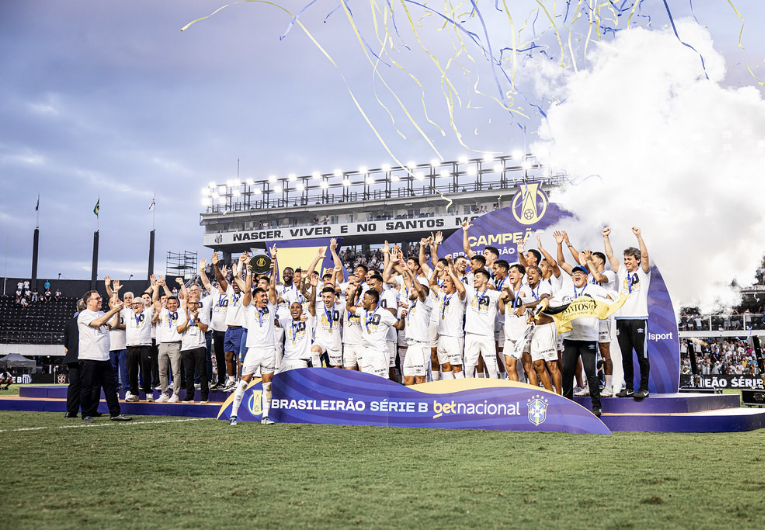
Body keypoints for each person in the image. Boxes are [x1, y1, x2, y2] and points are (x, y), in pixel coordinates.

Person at [542, 265, 617, 416]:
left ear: (586, 277)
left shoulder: (594, 290)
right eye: (574, 273)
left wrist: (603, 307)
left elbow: (610, 298)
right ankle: (567, 404)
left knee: (591, 373)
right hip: (569, 337)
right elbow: (552, 300)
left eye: (580, 273)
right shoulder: (566, 291)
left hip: (588, 337)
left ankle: (596, 406)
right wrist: (544, 300)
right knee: (567, 372)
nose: (576, 275)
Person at [229, 250, 279, 426]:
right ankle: (233, 415)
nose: (265, 297)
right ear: (255, 299)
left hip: (269, 350)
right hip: (254, 350)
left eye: (265, 296)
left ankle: (265, 416)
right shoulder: (248, 309)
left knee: (267, 385)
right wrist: (249, 271)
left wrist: (273, 261)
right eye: (262, 296)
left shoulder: (271, 308)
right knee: (243, 382)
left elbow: (272, 287)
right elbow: (248, 289)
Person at [604, 226, 652, 399]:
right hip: (622, 319)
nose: (626, 262)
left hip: (638, 318)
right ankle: (630, 387)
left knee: (641, 356)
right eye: (625, 259)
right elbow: (610, 256)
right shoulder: (622, 271)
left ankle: (644, 388)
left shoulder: (643, 272)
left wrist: (639, 236)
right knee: (626, 356)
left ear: (637, 260)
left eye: (629, 259)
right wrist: (606, 238)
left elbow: (645, 255)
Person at [77, 290, 131, 422]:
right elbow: (98, 323)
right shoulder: (84, 314)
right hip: (89, 357)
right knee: (87, 387)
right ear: (88, 302)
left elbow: (115, 324)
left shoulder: (102, 313)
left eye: (100, 298)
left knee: (110, 387)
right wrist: (113, 310)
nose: (100, 300)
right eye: (97, 298)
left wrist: (118, 311)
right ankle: (86, 414)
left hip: (104, 357)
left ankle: (115, 413)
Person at [347, 286, 403, 379]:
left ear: (372, 300)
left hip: (380, 352)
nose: (362, 300)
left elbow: (400, 327)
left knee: (382, 381)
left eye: (365, 298)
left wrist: (403, 318)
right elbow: (349, 307)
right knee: (367, 380)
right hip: (367, 351)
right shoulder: (362, 311)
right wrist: (353, 292)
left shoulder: (384, 313)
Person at [431, 256, 467, 379]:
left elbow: (462, 289)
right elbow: (432, 283)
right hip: (442, 336)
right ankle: (450, 394)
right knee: (445, 367)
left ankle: (461, 394)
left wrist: (451, 273)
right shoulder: (442, 294)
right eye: (444, 281)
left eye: (447, 281)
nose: (444, 283)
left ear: (454, 284)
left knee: (457, 367)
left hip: (454, 337)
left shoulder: (459, 297)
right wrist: (436, 271)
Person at [463, 269, 501, 378]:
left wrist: (506, 292)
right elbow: (457, 281)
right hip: (471, 334)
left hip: (487, 336)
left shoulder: (493, 294)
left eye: (478, 277)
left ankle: (494, 392)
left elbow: (506, 296)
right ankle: (469, 392)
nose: (474, 279)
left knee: (492, 368)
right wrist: (451, 266)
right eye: (474, 277)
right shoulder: (470, 291)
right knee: (469, 368)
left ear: (485, 280)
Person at [153, 277, 186, 403]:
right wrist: (157, 286)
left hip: (176, 344)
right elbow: (155, 300)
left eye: (174, 303)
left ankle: (175, 394)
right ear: (166, 304)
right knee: (161, 371)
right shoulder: (163, 312)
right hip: (163, 344)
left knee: (175, 372)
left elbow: (186, 299)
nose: (172, 305)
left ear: (177, 304)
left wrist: (168, 286)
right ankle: (164, 393)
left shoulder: (182, 312)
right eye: (170, 303)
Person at [177, 297, 210, 403]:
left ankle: (204, 397)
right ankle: (189, 396)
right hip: (186, 347)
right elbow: (179, 330)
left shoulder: (202, 314)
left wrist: (196, 319)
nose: (193, 305)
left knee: (202, 372)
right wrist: (187, 320)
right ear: (187, 304)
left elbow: (205, 328)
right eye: (191, 303)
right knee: (189, 373)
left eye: (196, 303)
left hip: (199, 345)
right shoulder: (182, 314)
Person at [124, 292, 154, 403]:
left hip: (145, 346)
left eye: (138, 303)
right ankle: (134, 393)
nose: (135, 305)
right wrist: (114, 291)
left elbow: (154, 301)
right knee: (131, 371)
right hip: (131, 347)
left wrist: (155, 288)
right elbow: (114, 303)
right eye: (133, 303)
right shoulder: (127, 313)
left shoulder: (148, 313)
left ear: (143, 304)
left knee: (146, 371)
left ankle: (148, 393)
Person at [62, 299, 87, 416]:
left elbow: (66, 343)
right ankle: (89, 410)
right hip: (86, 356)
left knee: (74, 385)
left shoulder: (69, 322)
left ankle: (71, 411)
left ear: (77, 309)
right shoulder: (89, 320)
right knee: (89, 385)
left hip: (72, 357)